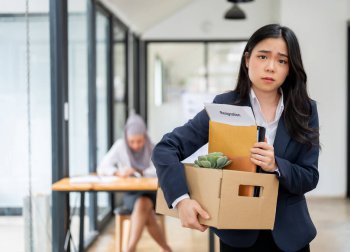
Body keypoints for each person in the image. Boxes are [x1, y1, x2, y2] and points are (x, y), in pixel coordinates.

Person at [152, 24, 320, 252]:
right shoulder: (224, 105)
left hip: (290, 236)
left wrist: (276, 165)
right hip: (237, 234)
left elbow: (309, 177)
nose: (271, 67)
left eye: (282, 60)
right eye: (263, 56)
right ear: (247, 59)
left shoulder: (305, 111)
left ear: (290, 68)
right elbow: (165, 148)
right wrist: (182, 200)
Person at [97, 114, 172, 252]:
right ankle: (165, 249)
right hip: (132, 194)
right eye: (132, 141)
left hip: (152, 193)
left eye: (139, 141)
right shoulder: (120, 146)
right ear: (126, 138)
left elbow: (159, 169)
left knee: (144, 203)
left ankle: (130, 248)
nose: (136, 145)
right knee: (144, 207)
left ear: (145, 136)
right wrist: (117, 172)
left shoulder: (153, 146)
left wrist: (139, 170)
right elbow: (102, 167)